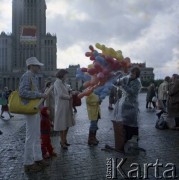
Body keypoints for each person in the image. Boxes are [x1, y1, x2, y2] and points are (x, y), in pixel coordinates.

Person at [19, 57, 48, 173]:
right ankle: (28, 163)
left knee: (36, 135)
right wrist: (39, 94)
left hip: (35, 109)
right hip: (30, 109)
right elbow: (22, 92)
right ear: (31, 66)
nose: (39, 67)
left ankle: (38, 158)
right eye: (37, 65)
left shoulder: (33, 76)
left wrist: (40, 95)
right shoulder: (26, 75)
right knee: (30, 136)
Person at [116, 67, 141, 142]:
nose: (132, 74)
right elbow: (116, 82)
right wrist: (117, 78)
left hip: (132, 106)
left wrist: (123, 85)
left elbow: (132, 92)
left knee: (133, 123)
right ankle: (126, 139)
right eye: (131, 72)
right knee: (125, 122)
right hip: (125, 105)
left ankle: (133, 139)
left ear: (137, 75)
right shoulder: (127, 79)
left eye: (134, 73)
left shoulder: (137, 82)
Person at [54, 69, 75, 150]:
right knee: (62, 124)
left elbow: (67, 91)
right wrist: (69, 96)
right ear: (62, 75)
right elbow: (60, 94)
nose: (67, 76)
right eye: (66, 75)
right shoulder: (57, 82)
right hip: (61, 106)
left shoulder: (64, 83)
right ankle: (62, 141)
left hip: (67, 105)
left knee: (67, 124)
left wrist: (72, 92)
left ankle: (64, 139)